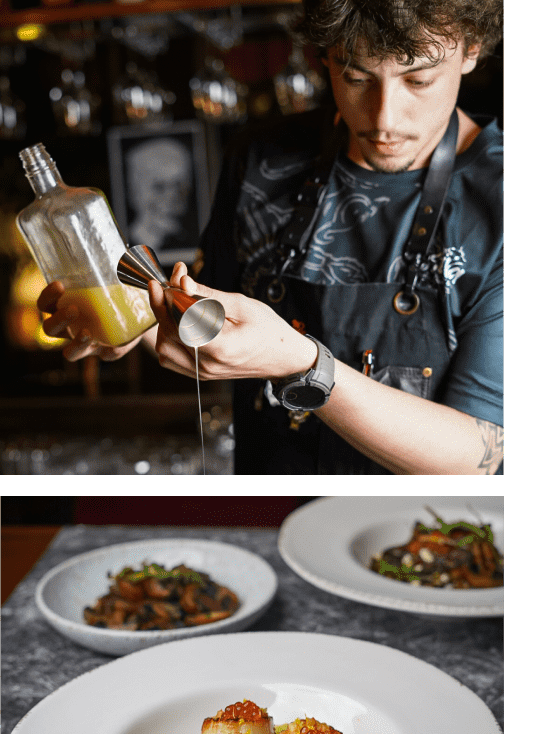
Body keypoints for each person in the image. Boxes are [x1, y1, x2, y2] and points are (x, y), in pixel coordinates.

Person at [37, 0, 504, 475]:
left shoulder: (499, 197)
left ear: (471, 49)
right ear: (324, 55)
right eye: (356, 76)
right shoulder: (261, 159)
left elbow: (482, 456)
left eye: (418, 80)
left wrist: (301, 364)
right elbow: (202, 325)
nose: (385, 118)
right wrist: (124, 319)